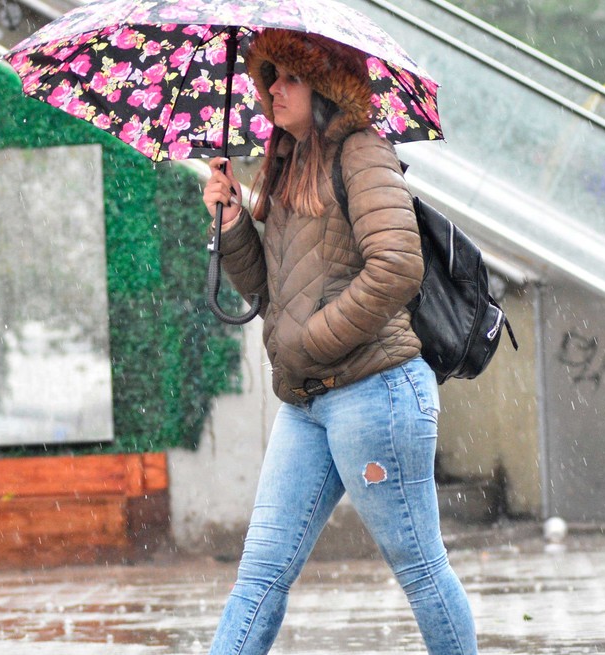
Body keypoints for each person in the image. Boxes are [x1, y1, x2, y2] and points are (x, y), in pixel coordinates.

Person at [200, 28, 478, 655]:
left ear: (324, 85)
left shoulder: (362, 151)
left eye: (290, 77)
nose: (274, 89)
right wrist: (233, 221)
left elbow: (397, 266)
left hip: (378, 393)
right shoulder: (285, 161)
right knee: (261, 572)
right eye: (269, 76)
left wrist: (313, 338)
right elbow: (269, 291)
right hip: (308, 403)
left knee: (419, 568)